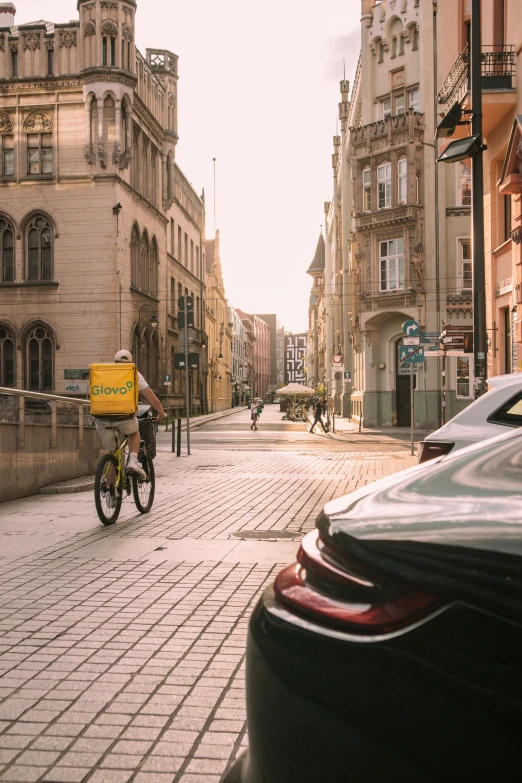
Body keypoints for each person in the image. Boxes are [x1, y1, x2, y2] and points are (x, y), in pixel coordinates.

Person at [94, 349, 167, 480]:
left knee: (113, 454)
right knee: (134, 432)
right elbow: (153, 399)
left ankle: (110, 491)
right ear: (131, 363)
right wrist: (161, 414)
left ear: (114, 362)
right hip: (123, 417)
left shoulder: (104, 373)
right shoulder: (133, 374)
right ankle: (133, 461)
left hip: (101, 418)